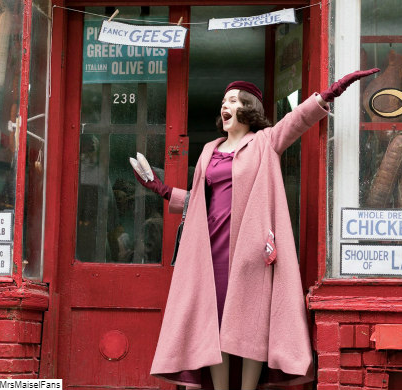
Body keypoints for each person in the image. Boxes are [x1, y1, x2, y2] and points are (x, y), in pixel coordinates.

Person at [134, 69, 379, 390]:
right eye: (224, 101)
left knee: (250, 327)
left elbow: (297, 120)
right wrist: (162, 189)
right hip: (212, 248)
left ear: (247, 109)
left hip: (251, 250)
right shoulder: (209, 150)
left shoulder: (264, 142)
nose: (226, 105)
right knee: (216, 325)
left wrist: (330, 93)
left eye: (233, 100)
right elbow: (200, 200)